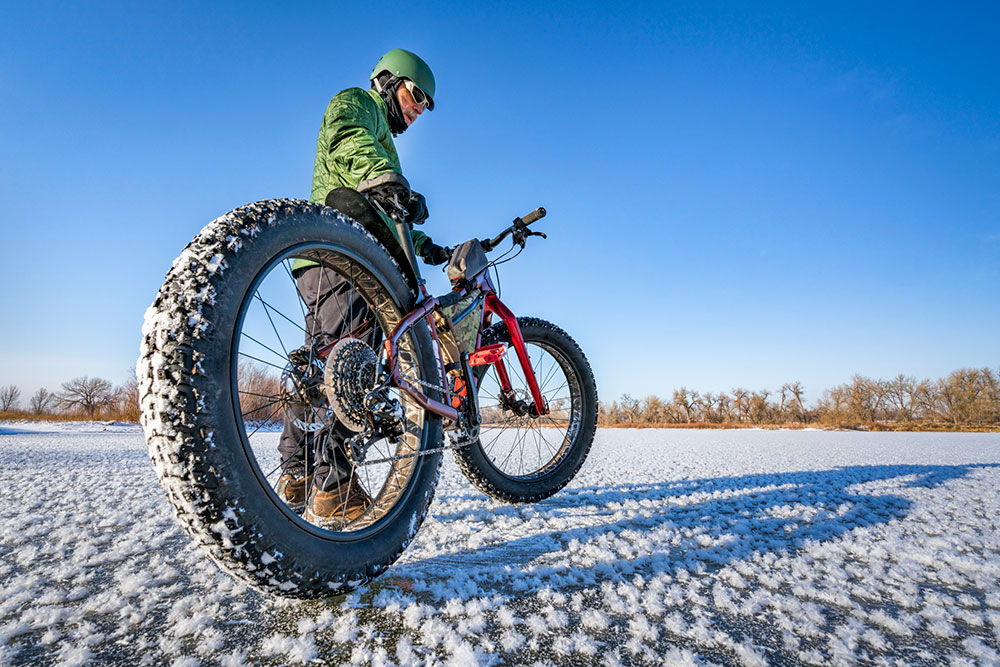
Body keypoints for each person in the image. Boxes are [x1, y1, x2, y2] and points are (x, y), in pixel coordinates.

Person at [277, 48, 449, 526]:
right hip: (343, 259)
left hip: (339, 258)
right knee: (349, 365)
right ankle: (332, 487)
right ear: (389, 80)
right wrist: (382, 176)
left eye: (426, 107)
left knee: (323, 362)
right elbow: (346, 138)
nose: (419, 110)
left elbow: (386, 218)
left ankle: (297, 475)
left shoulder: (385, 141)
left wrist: (426, 246)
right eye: (417, 96)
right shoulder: (359, 105)